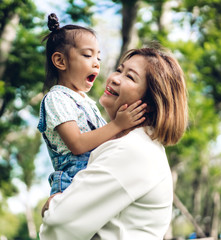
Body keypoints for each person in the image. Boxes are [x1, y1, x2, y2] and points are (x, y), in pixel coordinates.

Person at [39, 47, 188, 240]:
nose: (114, 78)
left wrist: (51, 204)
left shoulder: (132, 151)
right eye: (119, 70)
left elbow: (57, 225)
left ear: (150, 103)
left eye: (130, 77)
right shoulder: (135, 146)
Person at [38, 13, 147, 196]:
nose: (96, 64)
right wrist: (118, 124)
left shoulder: (86, 102)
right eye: (88, 55)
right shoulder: (56, 99)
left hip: (92, 174)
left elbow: (102, 139)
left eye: (98, 58)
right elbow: (77, 144)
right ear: (60, 61)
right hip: (72, 181)